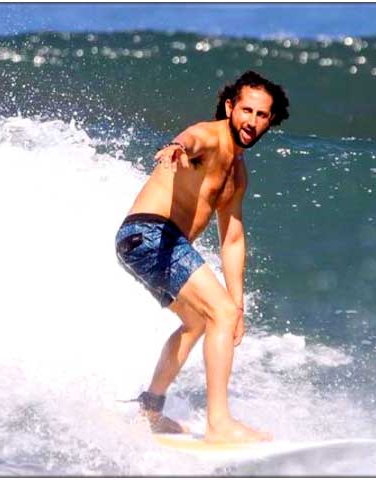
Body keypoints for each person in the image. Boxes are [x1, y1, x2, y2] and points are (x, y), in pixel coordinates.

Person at [115, 71, 290, 443]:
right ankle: (219, 424)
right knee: (218, 313)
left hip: (149, 242)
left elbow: (232, 239)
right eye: (246, 110)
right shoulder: (210, 137)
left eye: (262, 115)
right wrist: (176, 146)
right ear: (230, 107)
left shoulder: (238, 175)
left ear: (270, 120)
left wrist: (238, 305)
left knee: (199, 321)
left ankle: (150, 410)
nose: (252, 121)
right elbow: (191, 138)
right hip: (149, 233)